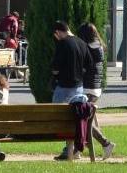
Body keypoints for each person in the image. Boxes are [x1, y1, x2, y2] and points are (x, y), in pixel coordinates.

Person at [50, 21, 91, 161]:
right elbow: (89, 64)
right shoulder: (82, 43)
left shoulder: (62, 43)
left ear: (58, 32)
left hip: (63, 86)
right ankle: (73, 149)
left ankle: (68, 149)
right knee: (76, 118)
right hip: (79, 87)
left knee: (61, 118)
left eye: (56, 35)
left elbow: (55, 66)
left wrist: (55, 76)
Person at [79, 22, 116, 160]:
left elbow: (84, 68)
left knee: (83, 119)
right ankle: (79, 148)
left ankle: (105, 143)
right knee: (85, 118)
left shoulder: (87, 48)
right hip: (96, 87)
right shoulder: (98, 46)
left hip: (87, 87)